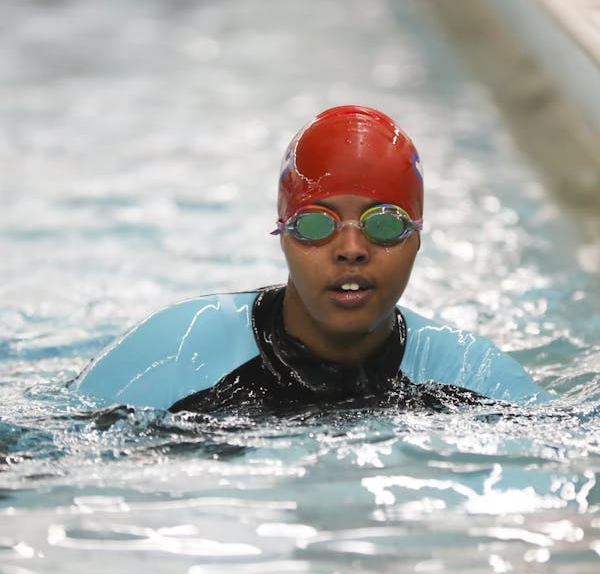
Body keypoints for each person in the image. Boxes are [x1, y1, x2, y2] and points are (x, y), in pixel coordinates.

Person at [72, 104, 551, 415]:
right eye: (317, 225)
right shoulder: (179, 349)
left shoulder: (465, 371)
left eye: (382, 224)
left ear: (417, 238)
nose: (351, 249)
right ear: (283, 235)